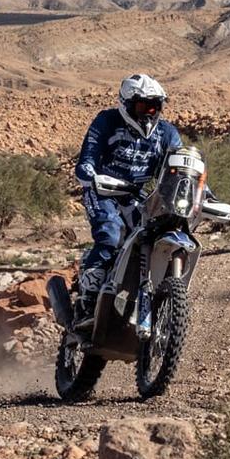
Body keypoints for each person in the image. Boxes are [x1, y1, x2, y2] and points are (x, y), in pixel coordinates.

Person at [71, 73, 182, 321]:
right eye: (143, 105)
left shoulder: (166, 133)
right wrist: (91, 177)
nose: (149, 112)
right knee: (110, 233)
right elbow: (86, 160)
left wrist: (202, 192)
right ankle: (87, 297)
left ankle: (150, 298)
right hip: (103, 191)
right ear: (127, 103)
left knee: (152, 238)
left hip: (135, 195)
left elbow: (181, 167)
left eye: (155, 106)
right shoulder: (107, 120)